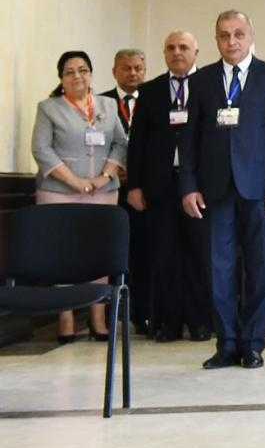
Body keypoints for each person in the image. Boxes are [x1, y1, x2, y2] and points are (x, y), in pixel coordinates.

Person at [181, 11, 265, 370]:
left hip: (261, 190)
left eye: (238, 34)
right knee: (220, 269)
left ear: (250, 36)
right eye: (224, 35)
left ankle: (253, 344)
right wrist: (188, 186)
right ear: (215, 40)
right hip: (216, 190)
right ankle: (226, 343)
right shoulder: (200, 81)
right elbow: (189, 140)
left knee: (260, 268)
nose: (231, 41)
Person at [31, 51, 128, 343]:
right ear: (61, 78)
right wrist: (74, 182)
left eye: (83, 70)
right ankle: (66, 317)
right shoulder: (49, 108)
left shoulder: (108, 106)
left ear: (91, 74)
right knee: (62, 254)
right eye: (70, 72)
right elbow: (41, 149)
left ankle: (98, 317)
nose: (78, 76)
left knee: (98, 252)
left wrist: (103, 177)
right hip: (59, 192)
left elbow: (121, 144)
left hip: (102, 192)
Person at [126, 31, 212, 343]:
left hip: (200, 186)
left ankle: (201, 321)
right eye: (171, 48)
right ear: (164, 53)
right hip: (160, 185)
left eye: (184, 47)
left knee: (199, 255)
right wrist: (134, 185)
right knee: (163, 255)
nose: (177, 52)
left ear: (196, 50)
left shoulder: (210, 85)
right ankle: (167, 323)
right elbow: (137, 143)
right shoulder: (149, 91)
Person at [103, 48, 150, 334]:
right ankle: (108, 312)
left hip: (143, 191)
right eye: (126, 68)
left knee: (142, 252)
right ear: (114, 71)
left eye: (138, 68)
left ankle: (142, 312)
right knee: (110, 252)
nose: (132, 73)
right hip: (108, 188)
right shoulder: (102, 103)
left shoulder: (155, 98)